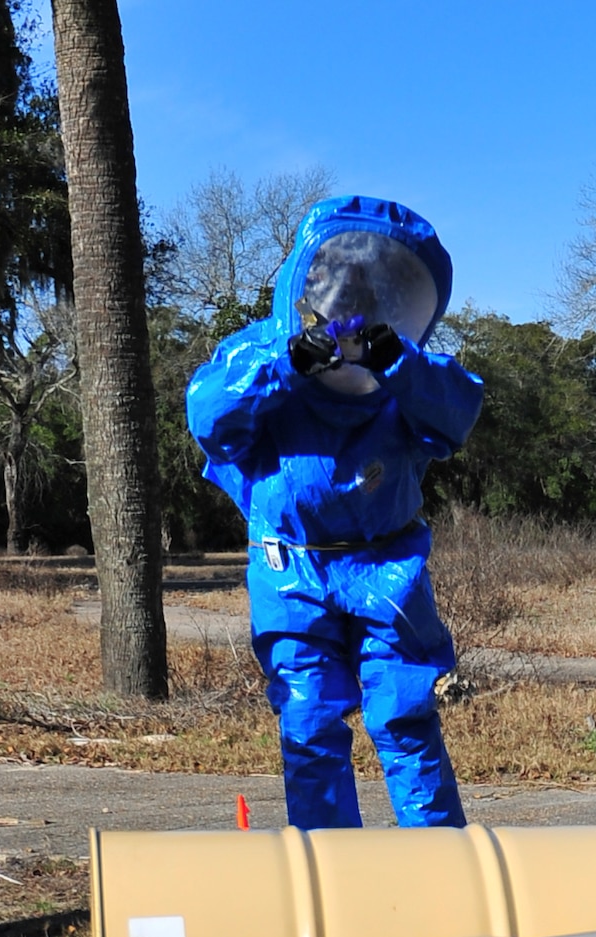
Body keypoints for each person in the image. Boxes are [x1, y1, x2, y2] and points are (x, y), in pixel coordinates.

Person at [186, 196, 483, 830]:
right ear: (308, 282)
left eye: (373, 291)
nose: (350, 303)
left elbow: (457, 412)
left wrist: (396, 360)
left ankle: (439, 866)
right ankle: (331, 870)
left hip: (388, 568)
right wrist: (288, 363)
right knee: (308, 716)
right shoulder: (261, 355)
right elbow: (209, 417)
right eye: (335, 284)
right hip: (291, 567)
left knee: (402, 715)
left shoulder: (405, 376)